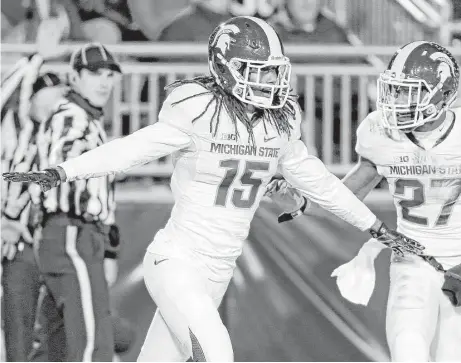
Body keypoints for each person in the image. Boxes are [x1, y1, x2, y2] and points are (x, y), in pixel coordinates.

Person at [3, 17, 424, 362]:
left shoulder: (279, 126)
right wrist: (64, 171)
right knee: (217, 355)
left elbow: (322, 183)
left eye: (272, 71)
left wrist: (374, 225)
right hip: (177, 262)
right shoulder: (199, 108)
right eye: (257, 72)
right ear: (226, 67)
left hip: (218, 272)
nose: (268, 82)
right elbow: (133, 149)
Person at [267, 40, 461, 361]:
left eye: (407, 91)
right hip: (412, 260)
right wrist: (303, 201)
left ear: (440, 93)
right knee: (407, 348)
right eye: (395, 90)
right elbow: (347, 197)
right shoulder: (379, 132)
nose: (396, 101)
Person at [5, 42, 122, 362]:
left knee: (62, 344)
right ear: (76, 77)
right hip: (69, 232)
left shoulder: (85, 118)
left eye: (110, 75)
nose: (105, 82)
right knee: (92, 345)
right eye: (95, 73)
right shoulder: (70, 116)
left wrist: (110, 245)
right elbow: (60, 161)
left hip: (69, 235)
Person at [1, 17, 69, 362]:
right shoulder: (17, 129)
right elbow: (12, 92)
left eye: (61, 96)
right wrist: (37, 58)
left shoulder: (62, 136)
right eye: (50, 94)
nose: (56, 102)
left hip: (48, 245)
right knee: (18, 331)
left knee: (93, 330)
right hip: (17, 248)